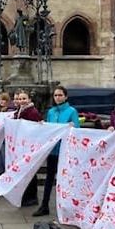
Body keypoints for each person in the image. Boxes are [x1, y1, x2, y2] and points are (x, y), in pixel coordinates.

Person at [33, 86, 80, 217]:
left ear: (66, 97)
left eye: (60, 95)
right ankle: (44, 205)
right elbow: (49, 130)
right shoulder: (51, 111)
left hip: (65, 151)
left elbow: (77, 130)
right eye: (55, 95)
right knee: (49, 178)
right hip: (53, 150)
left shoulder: (71, 111)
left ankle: (68, 207)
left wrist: (72, 127)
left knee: (65, 179)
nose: (57, 98)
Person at [12, 89, 43, 207]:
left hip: (29, 145)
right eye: (19, 99)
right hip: (22, 144)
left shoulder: (32, 111)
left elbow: (36, 127)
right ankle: (26, 196)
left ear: (29, 99)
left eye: (24, 98)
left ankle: (32, 197)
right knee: (24, 171)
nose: (21, 101)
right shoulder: (20, 110)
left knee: (30, 172)